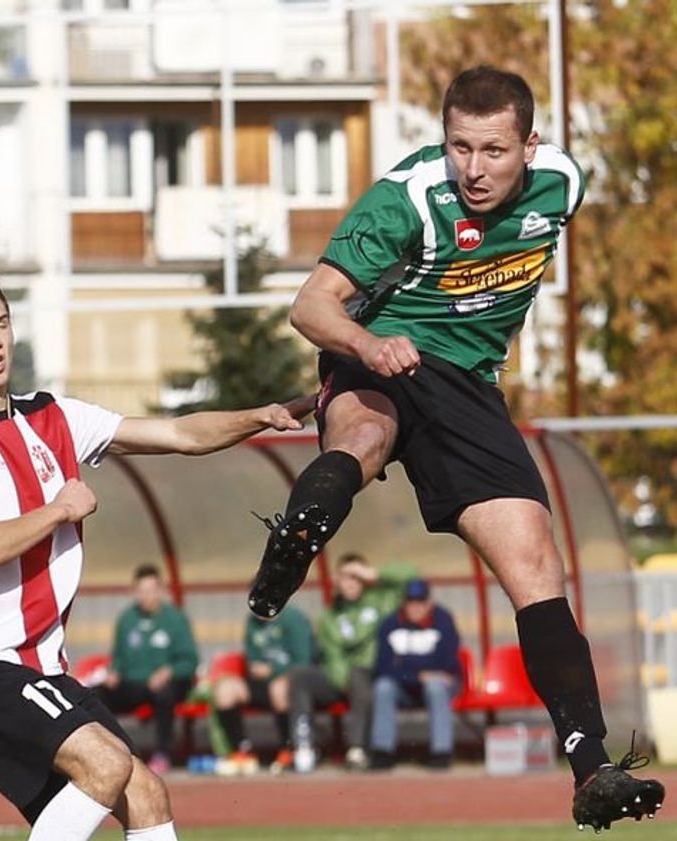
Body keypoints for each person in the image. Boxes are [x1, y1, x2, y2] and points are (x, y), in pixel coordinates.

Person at [245, 65, 664, 830]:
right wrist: (367, 345)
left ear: (529, 147)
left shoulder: (563, 184)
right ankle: (296, 537)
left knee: (536, 562)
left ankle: (592, 768)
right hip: (378, 354)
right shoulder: (407, 199)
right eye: (459, 147)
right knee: (364, 436)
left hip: (466, 387)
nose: (474, 168)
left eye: (494, 150)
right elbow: (310, 306)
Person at [0, 271, 313, 841]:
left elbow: (180, 434)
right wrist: (58, 511)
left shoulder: (53, 417)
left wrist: (260, 416)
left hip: (39, 664)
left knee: (145, 791)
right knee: (108, 765)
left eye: (0, 324)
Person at [287, 551, 411, 772]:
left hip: (370, 675)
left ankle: (357, 748)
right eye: (346, 577)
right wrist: (342, 679)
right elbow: (331, 654)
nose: (352, 583)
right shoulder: (330, 615)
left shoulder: (380, 602)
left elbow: (410, 576)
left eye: (356, 577)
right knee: (300, 677)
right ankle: (303, 747)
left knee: (359, 676)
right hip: (341, 680)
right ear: (337, 581)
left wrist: (374, 573)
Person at [100, 564, 199, 776]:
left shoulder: (175, 619)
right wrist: (113, 671)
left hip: (166, 685)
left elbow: (190, 660)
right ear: (134, 592)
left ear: (160, 590)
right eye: (142, 591)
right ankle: (107, 752)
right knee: (96, 695)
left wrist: (168, 672)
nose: (146, 596)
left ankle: (163, 752)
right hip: (133, 684)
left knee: (164, 694)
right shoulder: (127, 619)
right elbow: (117, 656)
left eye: (151, 590)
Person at [368, 579, 461, 770]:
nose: (415, 607)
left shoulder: (443, 621)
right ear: (404, 602)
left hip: (437, 686)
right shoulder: (390, 624)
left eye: (420, 601)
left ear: (429, 602)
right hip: (403, 686)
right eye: (411, 601)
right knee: (383, 687)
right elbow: (383, 667)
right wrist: (418, 675)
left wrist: (406, 666)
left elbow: (447, 664)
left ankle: (441, 752)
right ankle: (382, 753)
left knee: (435, 687)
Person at [212, 602, 314, 774]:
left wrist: (274, 670)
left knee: (278, 689)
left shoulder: (293, 619)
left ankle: (288, 748)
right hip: (260, 682)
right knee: (225, 690)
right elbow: (252, 660)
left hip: (288, 682)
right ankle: (241, 750)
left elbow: (303, 661)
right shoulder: (252, 621)